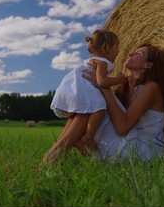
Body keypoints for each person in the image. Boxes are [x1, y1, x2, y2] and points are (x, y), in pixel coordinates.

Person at [43, 29, 125, 164]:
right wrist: (119, 79)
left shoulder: (94, 60)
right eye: (117, 47)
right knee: (99, 107)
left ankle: (62, 154)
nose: (118, 51)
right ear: (107, 48)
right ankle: (88, 135)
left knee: (87, 113)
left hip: (74, 88)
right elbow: (102, 81)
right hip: (83, 90)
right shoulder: (102, 62)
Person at [85, 43, 164, 161]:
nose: (130, 54)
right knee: (89, 89)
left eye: (139, 53)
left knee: (97, 91)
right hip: (129, 140)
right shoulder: (122, 89)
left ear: (148, 64)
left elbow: (122, 127)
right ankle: (64, 145)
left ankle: (68, 145)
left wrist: (103, 86)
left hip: (147, 150)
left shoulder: (151, 87)